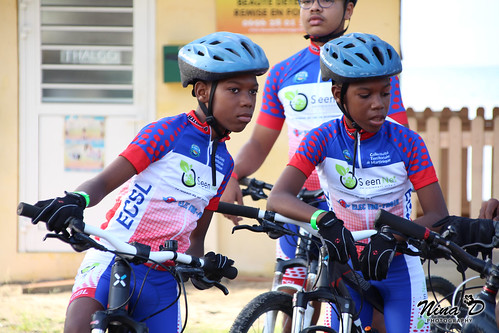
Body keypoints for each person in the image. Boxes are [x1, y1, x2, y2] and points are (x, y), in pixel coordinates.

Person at [28, 32, 269, 333]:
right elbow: (103, 182)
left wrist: (202, 267)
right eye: (235, 90)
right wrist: (75, 200)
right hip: (113, 258)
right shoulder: (166, 132)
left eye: (252, 92)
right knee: (78, 328)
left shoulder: (224, 163)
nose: (247, 102)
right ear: (203, 92)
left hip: (163, 280)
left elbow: (195, 240)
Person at [267, 33, 449, 332]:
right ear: (338, 95)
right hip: (344, 266)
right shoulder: (321, 138)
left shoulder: (407, 142)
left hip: (399, 266)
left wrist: (393, 237)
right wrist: (322, 219)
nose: (379, 105)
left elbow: (438, 215)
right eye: (365, 95)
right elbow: (279, 197)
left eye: (385, 93)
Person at [221, 0, 407, 293]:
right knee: (290, 291)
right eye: (306, 1)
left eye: (327, 0)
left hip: (353, 203)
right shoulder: (282, 73)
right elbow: (258, 143)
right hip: (297, 201)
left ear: (348, 10)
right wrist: (231, 173)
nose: (314, 8)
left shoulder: (373, 71)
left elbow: (398, 138)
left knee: (355, 293)